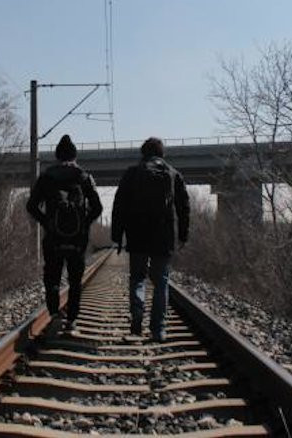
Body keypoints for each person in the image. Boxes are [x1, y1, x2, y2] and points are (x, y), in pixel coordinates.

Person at [111, 137, 190, 342]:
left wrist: (117, 236)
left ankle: (137, 312)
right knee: (161, 282)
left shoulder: (132, 173)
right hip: (163, 236)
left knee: (138, 277)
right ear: (162, 154)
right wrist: (183, 234)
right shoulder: (172, 174)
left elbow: (119, 206)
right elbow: (184, 207)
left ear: (143, 153)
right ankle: (158, 329)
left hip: (137, 234)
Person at [26, 134, 102, 331]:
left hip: (53, 237)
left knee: (52, 276)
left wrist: (47, 223)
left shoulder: (47, 177)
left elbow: (31, 206)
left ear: (57, 156)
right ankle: (72, 320)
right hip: (77, 239)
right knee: (75, 280)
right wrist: (84, 223)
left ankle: (54, 314)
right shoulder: (84, 177)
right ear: (75, 156)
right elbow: (98, 208)